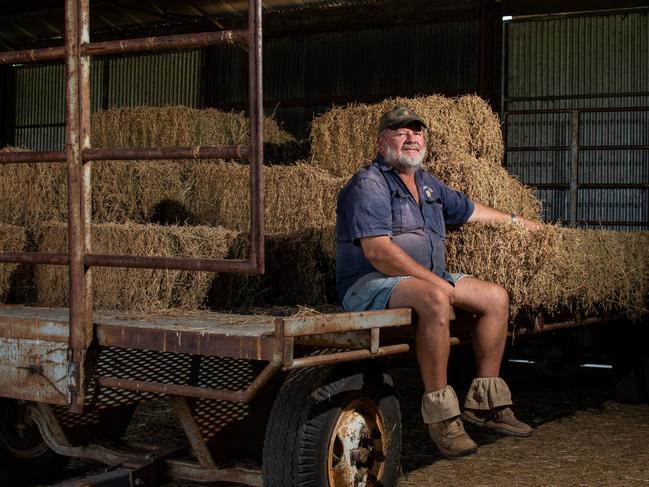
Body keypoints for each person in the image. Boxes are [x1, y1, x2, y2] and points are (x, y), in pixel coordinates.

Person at [335, 106, 541, 458]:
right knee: (435, 298)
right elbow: (379, 252)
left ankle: (485, 402)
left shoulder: (428, 184)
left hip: (426, 279)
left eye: (417, 132)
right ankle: (441, 415)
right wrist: (435, 282)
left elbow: (470, 210)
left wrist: (515, 221)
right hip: (371, 283)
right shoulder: (368, 184)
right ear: (382, 141)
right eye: (401, 132)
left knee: (495, 297)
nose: (411, 138)